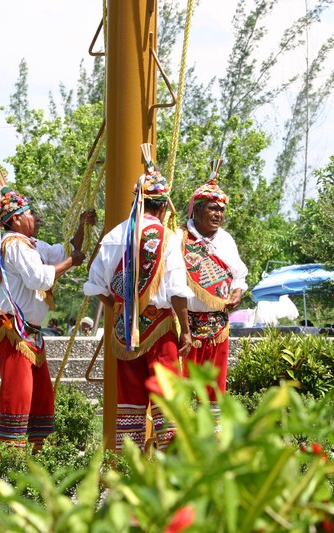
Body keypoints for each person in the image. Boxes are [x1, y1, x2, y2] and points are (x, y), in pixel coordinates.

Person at [84, 145, 192, 453]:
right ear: (162, 208)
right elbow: (177, 290)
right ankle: (172, 465)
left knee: (129, 403)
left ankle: (128, 470)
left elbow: (97, 286)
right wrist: (186, 329)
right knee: (167, 398)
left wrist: (121, 310)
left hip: (123, 331)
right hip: (158, 327)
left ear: (137, 201)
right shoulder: (168, 240)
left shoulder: (113, 236)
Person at [0, 168, 94, 455]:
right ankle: (9, 457)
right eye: (31, 213)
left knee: (40, 395)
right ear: (16, 219)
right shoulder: (13, 244)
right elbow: (38, 278)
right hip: (14, 330)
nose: (36, 218)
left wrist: (82, 227)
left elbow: (63, 251)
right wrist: (72, 261)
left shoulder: (31, 244)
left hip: (28, 333)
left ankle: (34, 453)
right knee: (18, 395)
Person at [177, 160, 248, 428]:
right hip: (187, 326)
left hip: (218, 325)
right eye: (212, 208)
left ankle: (214, 439)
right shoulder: (180, 239)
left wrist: (238, 292)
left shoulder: (227, 240)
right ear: (196, 210)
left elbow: (239, 274)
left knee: (215, 390)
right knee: (182, 387)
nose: (218, 214)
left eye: (221, 209)